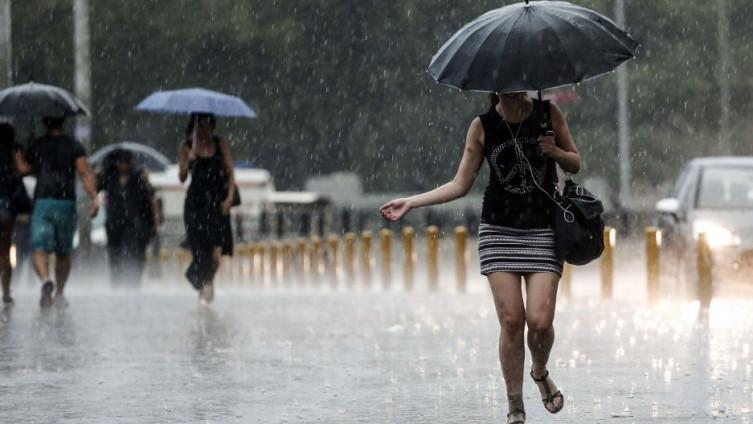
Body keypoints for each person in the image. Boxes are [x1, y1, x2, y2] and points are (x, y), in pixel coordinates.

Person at [380, 92, 581, 424]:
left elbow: (575, 161)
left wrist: (555, 151)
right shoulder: (483, 125)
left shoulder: (548, 114)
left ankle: (540, 370)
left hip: (543, 231)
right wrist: (412, 202)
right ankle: (515, 403)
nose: (509, 87)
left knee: (540, 322)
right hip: (498, 232)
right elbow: (460, 183)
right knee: (512, 320)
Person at [15, 116, 99, 308]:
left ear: (45, 123)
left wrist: (19, 156)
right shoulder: (74, 146)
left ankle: (45, 280)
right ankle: (60, 292)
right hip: (65, 202)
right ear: (64, 123)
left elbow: (23, 169)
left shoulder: (37, 145)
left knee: (39, 248)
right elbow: (84, 173)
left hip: (43, 201)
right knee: (63, 251)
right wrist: (94, 197)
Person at [177, 113, 235, 305]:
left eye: (209, 125)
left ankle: (203, 281)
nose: (205, 129)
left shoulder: (221, 144)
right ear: (195, 127)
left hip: (217, 204)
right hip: (195, 205)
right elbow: (182, 177)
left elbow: (231, 172)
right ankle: (205, 289)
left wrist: (229, 198)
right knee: (200, 251)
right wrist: (189, 159)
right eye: (201, 125)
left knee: (216, 254)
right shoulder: (186, 146)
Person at [97, 149, 158, 286]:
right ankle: (116, 282)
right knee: (115, 254)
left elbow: (150, 198)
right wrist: (100, 173)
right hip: (114, 223)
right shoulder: (110, 177)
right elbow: (96, 186)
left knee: (136, 254)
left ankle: (134, 282)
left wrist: (154, 222)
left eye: (126, 162)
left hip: (135, 224)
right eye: (121, 162)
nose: (123, 165)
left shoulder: (139, 177)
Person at [0, 123, 25, 305]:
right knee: (4, 251)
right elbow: (21, 172)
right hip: (7, 206)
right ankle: (6, 291)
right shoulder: (14, 152)